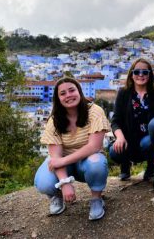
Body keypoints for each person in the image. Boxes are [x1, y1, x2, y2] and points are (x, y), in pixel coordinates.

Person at [34, 77, 110, 220]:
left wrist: (62, 161)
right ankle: (56, 196)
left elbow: (94, 146)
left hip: (86, 160)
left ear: (79, 92)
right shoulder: (54, 120)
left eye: (71, 90)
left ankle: (96, 199)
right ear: (58, 98)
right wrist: (64, 183)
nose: (68, 95)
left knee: (97, 164)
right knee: (43, 183)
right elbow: (55, 156)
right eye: (63, 93)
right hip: (64, 163)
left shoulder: (94, 111)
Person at [108, 58, 154, 181]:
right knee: (114, 151)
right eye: (137, 72)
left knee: (148, 142)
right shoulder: (123, 93)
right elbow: (115, 120)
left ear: (149, 75)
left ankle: (151, 168)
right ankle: (125, 166)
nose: (140, 75)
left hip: (148, 141)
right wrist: (120, 137)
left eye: (145, 72)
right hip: (128, 140)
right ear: (131, 74)